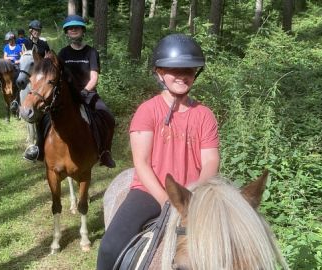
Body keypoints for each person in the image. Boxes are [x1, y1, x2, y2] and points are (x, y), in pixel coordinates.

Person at [96, 33, 220, 269]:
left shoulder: (205, 115)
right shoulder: (147, 111)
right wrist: (168, 201)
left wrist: (196, 199)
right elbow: (141, 163)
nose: (183, 75)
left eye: (190, 70)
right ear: (160, 73)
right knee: (110, 246)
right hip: (150, 192)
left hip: (192, 196)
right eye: (174, 70)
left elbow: (211, 160)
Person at [24, 15, 116, 168]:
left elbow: (94, 77)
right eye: (70, 29)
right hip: (66, 95)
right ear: (67, 33)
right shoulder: (62, 54)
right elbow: (53, 76)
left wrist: (85, 91)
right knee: (43, 117)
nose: (73, 30)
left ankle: (105, 152)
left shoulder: (91, 52)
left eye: (77, 28)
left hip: (88, 93)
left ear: (82, 31)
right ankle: (39, 148)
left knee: (108, 117)